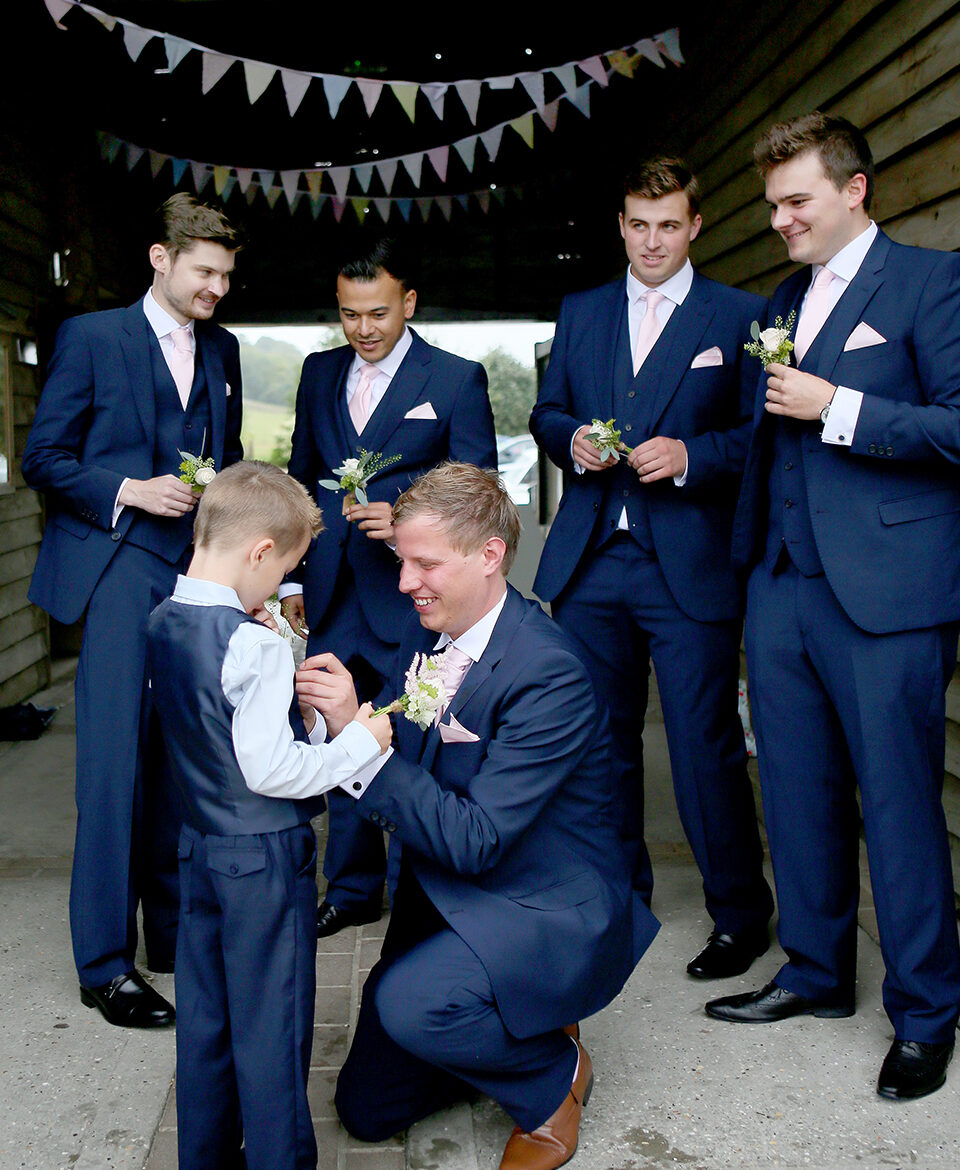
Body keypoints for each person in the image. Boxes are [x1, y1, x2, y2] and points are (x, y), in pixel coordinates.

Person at [295, 462, 659, 1170]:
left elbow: (478, 838)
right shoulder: (430, 627)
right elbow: (406, 758)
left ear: (489, 555)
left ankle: (551, 1077)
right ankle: (502, 1021)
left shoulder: (548, 670)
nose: (405, 583)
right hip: (445, 884)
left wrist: (358, 746)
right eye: (403, 561)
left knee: (410, 1005)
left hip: (537, 898)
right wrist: (332, 731)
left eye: (424, 564)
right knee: (366, 1111)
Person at [705, 112, 960, 1102]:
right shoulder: (783, 298)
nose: (780, 220)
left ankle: (927, 1011)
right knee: (796, 794)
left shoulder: (933, 285)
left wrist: (837, 408)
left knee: (897, 808)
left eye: (796, 200)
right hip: (780, 588)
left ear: (857, 190)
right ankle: (814, 972)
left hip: (885, 597)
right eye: (772, 205)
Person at [529, 157, 774, 980]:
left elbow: (761, 437)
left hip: (690, 564)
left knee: (706, 747)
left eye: (668, 224)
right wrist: (571, 440)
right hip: (596, 556)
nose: (652, 240)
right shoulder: (584, 309)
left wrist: (695, 455)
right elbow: (546, 407)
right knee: (601, 742)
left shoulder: (739, 314)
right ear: (622, 225)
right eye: (638, 224)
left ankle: (739, 915)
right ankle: (618, 893)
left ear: (696, 226)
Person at [21, 193, 244, 1027]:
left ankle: (174, 934)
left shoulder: (221, 348)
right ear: (162, 257)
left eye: (225, 275)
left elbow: (221, 460)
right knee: (113, 769)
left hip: (190, 575)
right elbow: (43, 456)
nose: (215, 288)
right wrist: (127, 489)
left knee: (180, 761)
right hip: (114, 565)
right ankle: (104, 965)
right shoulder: (91, 336)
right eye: (203, 271)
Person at [147, 461, 391, 1170]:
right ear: (258, 553)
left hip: (198, 850)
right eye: (285, 566)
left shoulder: (167, 616)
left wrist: (298, 709)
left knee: (208, 1024)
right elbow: (270, 770)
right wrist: (354, 743)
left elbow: (211, 728)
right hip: (261, 861)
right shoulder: (251, 644)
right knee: (273, 1031)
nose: (282, 584)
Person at [280, 235, 497, 938]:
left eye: (377, 312)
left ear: (408, 302)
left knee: (414, 730)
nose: (364, 329)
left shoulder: (457, 378)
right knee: (336, 724)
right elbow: (300, 474)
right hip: (334, 588)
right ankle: (349, 887)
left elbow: (480, 484)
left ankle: (418, 884)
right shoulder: (317, 373)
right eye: (349, 314)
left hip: (416, 596)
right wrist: (289, 575)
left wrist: (404, 503)